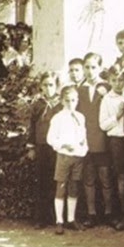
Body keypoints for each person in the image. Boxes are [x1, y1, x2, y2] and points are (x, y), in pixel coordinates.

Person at [47, 86, 88, 235]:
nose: (71, 103)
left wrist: (82, 149)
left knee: (74, 186)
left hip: (78, 156)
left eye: (73, 100)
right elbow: (50, 138)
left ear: (77, 100)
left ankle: (71, 219)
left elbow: (83, 137)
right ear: (62, 101)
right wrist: (63, 145)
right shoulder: (58, 118)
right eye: (67, 100)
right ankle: (59, 221)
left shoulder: (80, 117)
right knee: (61, 187)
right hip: (64, 156)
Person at [78, 53, 113, 228]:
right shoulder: (78, 89)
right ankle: (91, 214)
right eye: (87, 67)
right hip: (85, 141)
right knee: (88, 178)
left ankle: (109, 213)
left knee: (105, 178)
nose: (90, 71)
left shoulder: (107, 87)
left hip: (103, 141)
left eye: (93, 67)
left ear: (100, 68)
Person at [99, 64, 124, 230]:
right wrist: (118, 115)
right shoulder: (107, 99)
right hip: (117, 141)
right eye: (114, 80)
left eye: (121, 79)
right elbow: (103, 125)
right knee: (122, 178)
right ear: (109, 81)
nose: (118, 83)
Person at [27, 72, 62, 229]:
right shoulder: (37, 105)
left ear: (56, 86)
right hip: (42, 146)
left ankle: (57, 217)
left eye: (51, 85)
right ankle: (40, 218)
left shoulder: (61, 105)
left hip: (57, 148)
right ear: (41, 87)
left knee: (57, 181)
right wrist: (31, 147)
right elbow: (32, 127)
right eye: (45, 85)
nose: (48, 88)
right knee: (41, 181)